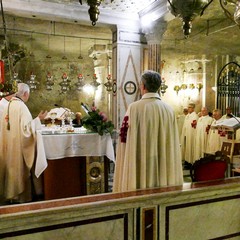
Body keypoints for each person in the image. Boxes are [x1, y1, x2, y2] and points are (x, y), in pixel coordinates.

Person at [113, 70, 183, 192]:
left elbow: (124, 138)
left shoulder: (134, 108)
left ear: (143, 86)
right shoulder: (169, 110)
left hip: (140, 160)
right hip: (163, 161)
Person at [0, 83, 48, 204]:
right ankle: (20, 197)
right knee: (20, 170)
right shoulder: (22, 107)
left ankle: (10, 195)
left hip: (8, 146)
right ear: (25, 94)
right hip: (18, 149)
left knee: (10, 170)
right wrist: (38, 120)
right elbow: (26, 131)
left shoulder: (8, 106)